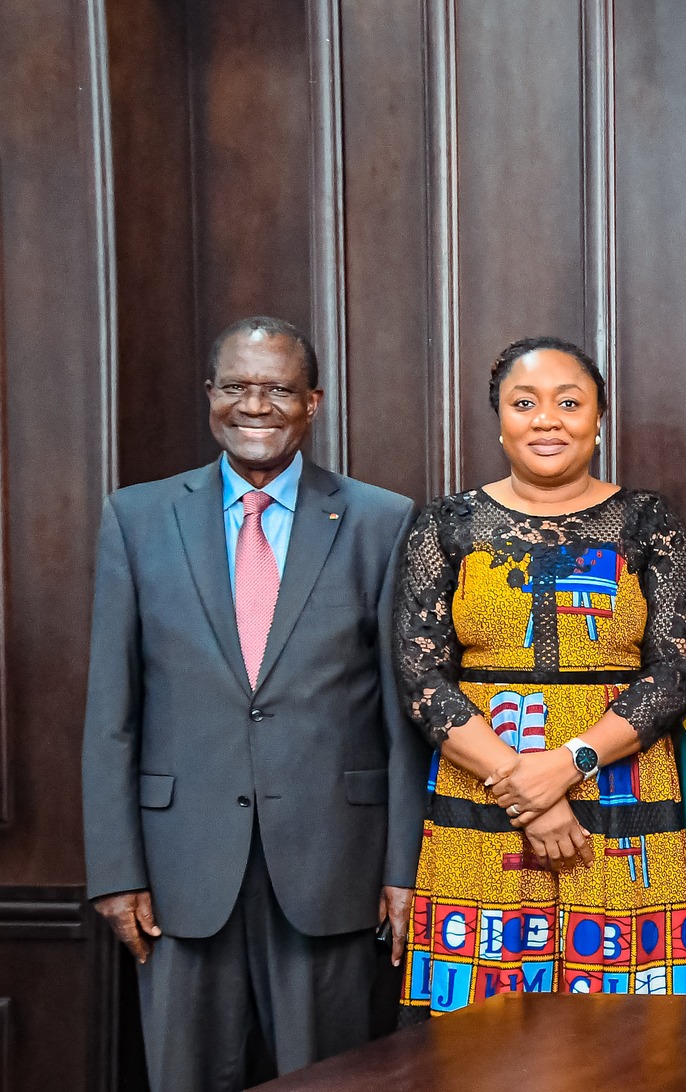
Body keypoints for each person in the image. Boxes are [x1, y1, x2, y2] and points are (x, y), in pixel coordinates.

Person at [81, 317, 422, 1090]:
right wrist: (113, 871)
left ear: (313, 402)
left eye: (276, 388)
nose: (254, 405)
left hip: (334, 864)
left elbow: (400, 717)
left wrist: (403, 867)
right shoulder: (136, 519)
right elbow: (111, 712)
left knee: (329, 1078)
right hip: (176, 873)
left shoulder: (380, 520)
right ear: (210, 396)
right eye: (236, 386)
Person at [394, 337, 686, 1016]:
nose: (547, 420)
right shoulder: (445, 525)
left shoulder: (650, 523)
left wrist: (565, 765)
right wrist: (524, 784)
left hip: (621, 792)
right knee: (479, 1036)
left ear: (599, 419)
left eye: (569, 402)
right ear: (498, 418)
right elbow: (421, 677)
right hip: (480, 791)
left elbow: (676, 674)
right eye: (524, 403)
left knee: (630, 1035)